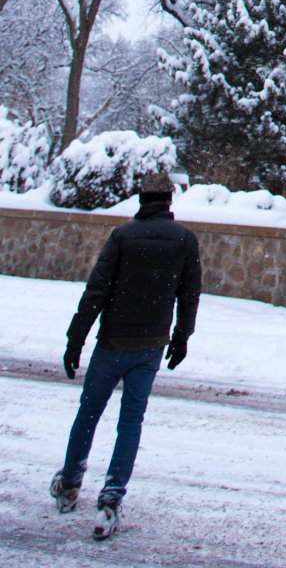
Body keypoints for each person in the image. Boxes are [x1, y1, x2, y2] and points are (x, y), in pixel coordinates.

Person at [49, 169, 201, 541]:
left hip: (113, 343)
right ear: (169, 201)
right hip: (151, 345)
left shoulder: (122, 237)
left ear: (140, 199)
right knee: (130, 423)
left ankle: (69, 484)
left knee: (89, 413)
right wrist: (181, 337)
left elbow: (96, 291)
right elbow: (189, 294)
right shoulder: (184, 240)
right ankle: (111, 499)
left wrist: (76, 339)